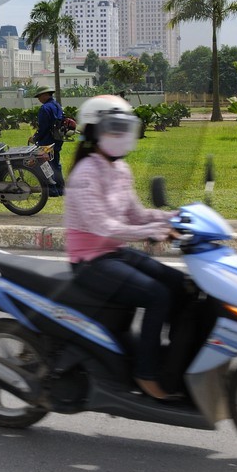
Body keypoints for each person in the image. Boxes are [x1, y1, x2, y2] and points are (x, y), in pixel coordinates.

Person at [64, 94, 184, 401]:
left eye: (123, 128)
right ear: (93, 131)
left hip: (115, 253)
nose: (119, 135)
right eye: (112, 128)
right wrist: (150, 230)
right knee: (157, 295)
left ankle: (177, 360)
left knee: (179, 285)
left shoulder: (121, 169)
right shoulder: (84, 175)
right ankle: (147, 373)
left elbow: (136, 214)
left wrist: (177, 216)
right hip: (90, 261)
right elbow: (103, 226)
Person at [31, 87, 72, 197]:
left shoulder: (45, 108)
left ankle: (51, 190)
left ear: (45, 95)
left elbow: (43, 127)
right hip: (57, 140)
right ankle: (60, 189)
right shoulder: (57, 105)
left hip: (47, 141)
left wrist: (35, 137)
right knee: (55, 164)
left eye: (39, 96)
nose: (39, 99)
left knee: (45, 165)